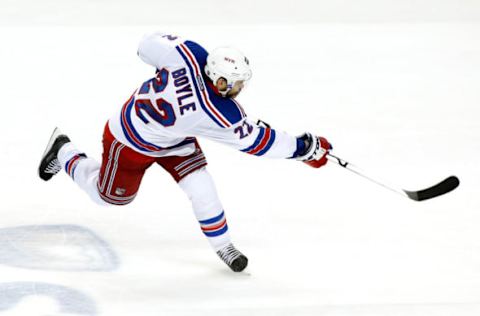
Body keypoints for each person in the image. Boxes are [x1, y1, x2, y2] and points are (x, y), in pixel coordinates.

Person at [38, 32, 332, 272]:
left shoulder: (190, 54)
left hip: (173, 141)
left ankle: (224, 246)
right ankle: (64, 151)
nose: (241, 87)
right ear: (220, 81)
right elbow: (258, 142)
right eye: (237, 82)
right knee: (108, 198)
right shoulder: (216, 112)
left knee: (202, 186)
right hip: (128, 141)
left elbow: (145, 47)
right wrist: (303, 148)